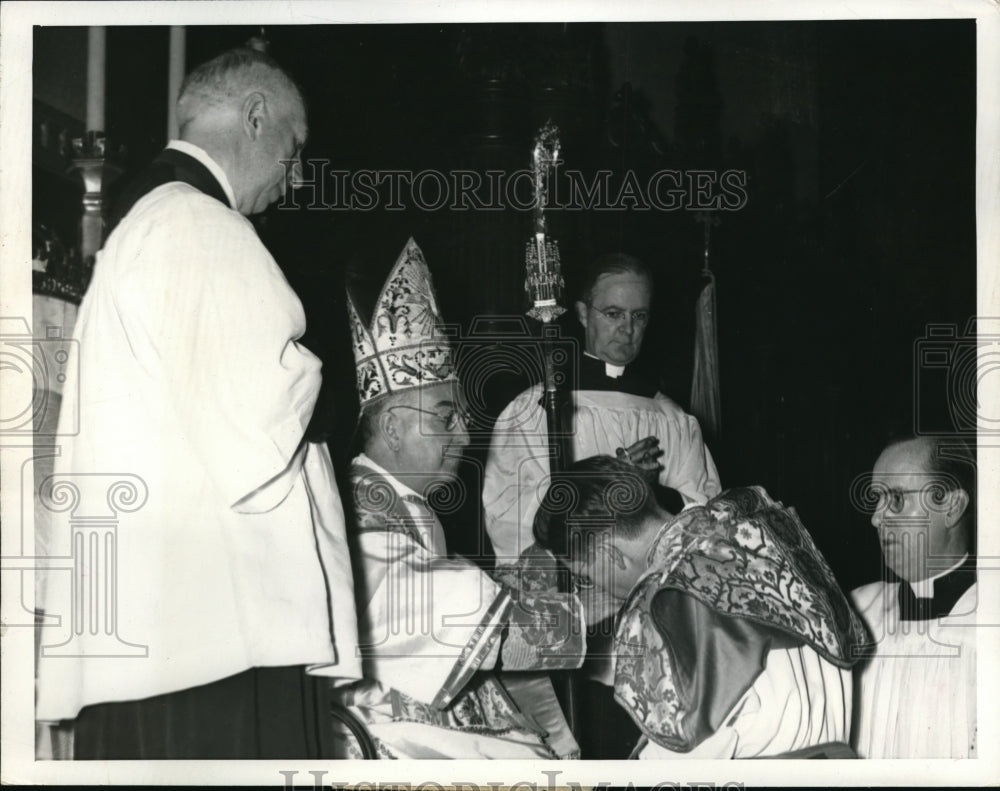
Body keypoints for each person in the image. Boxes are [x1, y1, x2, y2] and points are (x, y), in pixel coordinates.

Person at [34, 48, 360, 758]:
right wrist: (332, 390)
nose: (296, 177)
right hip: (213, 643)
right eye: (294, 149)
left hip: (167, 639)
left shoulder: (150, 221)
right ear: (254, 117)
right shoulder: (201, 227)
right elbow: (260, 427)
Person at [333, 237, 584, 759]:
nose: (466, 437)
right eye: (446, 417)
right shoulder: (360, 512)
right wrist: (587, 623)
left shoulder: (402, 502)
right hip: (379, 727)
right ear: (393, 427)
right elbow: (432, 613)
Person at [533, 455, 866, 759]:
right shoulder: (755, 524)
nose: (594, 588)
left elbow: (678, 764)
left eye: (586, 577)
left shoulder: (661, 603)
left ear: (609, 555)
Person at [482, 252, 721, 563]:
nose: (627, 329)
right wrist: (608, 494)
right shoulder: (535, 410)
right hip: (575, 589)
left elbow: (707, 512)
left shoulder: (671, 417)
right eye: (613, 313)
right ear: (583, 314)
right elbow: (507, 512)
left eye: (639, 316)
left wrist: (651, 495)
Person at [850, 435, 977, 758]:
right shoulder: (856, 610)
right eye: (876, 500)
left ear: (952, 505)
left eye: (896, 499)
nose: (876, 518)